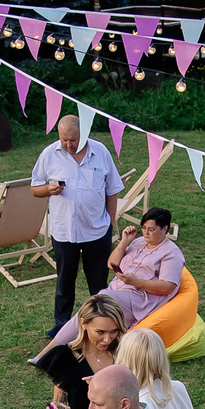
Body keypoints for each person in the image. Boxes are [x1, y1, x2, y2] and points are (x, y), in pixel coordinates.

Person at [29, 111, 126, 338]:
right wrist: (48, 189)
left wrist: (111, 220)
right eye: (64, 140)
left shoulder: (100, 152)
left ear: (83, 135)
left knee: (98, 283)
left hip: (97, 229)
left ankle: (103, 323)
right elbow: (35, 189)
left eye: (73, 140)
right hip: (64, 231)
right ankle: (62, 325)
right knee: (64, 282)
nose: (69, 144)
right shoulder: (49, 154)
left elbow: (113, 189)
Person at [48, 209, 184, 344]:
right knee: (90, 309)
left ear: (165, 229)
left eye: (151, 230)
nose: (146, 233)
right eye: (143, 228)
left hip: (140, 299)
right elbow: (111, 263)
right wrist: (124, 242)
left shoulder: (171, 252)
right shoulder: (139, 242)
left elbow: (168, 287)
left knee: (101, 301)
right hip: (118, 292)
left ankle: (60, 348)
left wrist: (136, 282)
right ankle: (48, 351)